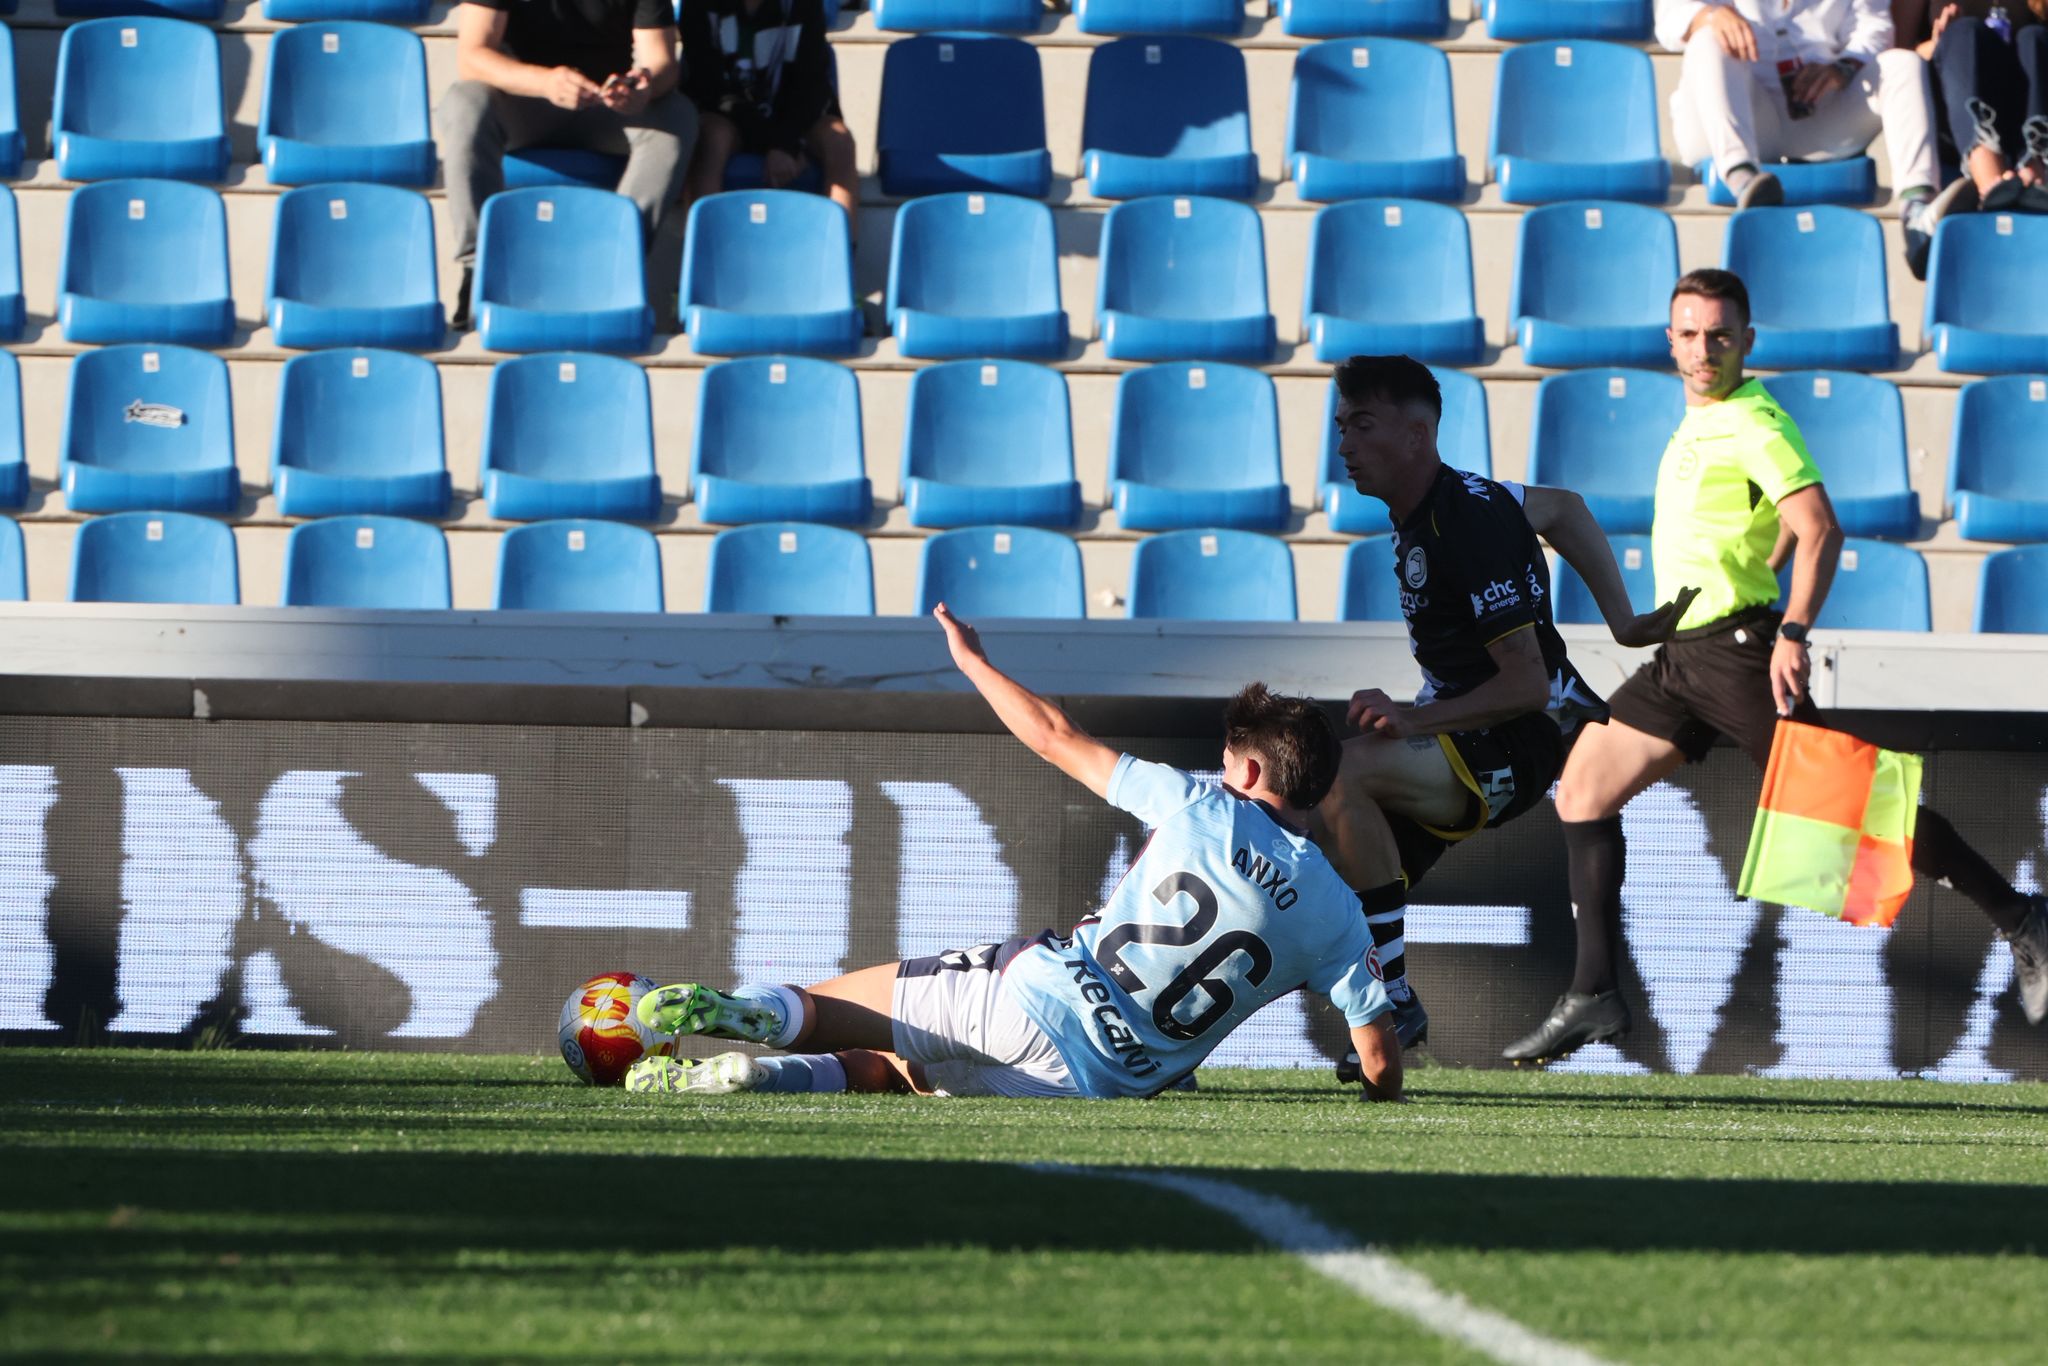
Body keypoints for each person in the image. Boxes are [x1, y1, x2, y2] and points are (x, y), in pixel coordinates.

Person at [1502, 267, 2048, 1064]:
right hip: (1679, 659)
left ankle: (2021, 918)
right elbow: (1772, 525)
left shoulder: (1754, 420)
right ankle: (1594, 994)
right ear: (1669, 341)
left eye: (1719, 335)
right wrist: (1764, 555)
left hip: (1733, 655)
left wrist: (1791, 627)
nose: (1703, 350)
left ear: (1746, 342)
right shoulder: (1702, 421)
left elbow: (1820, 527)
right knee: (1582, 788)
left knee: (1855, 812)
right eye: (1688, 335)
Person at [622, 605, 1405, 1101]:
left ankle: (750, 1017)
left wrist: (973, 664)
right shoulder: (1338, 911)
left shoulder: (1200, 806)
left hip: (1041, 991)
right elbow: (1379, 1051)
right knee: (899, 1076)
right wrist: (1384, 1096)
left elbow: (1055, 737)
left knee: (830, 1011)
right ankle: (754, 1079)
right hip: (1095, 1082)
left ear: (1249, 769)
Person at [1312, 356, 1698, 1060]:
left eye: (1362, 426)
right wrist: (1622, 620)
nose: (1343, 444)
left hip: (1513, 739)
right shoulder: (1450, 501)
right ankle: (1192, 1028)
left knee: (1342, 779)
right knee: (1312, 870)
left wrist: (1411, 718)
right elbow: (1562, 507)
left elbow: (1526, 684)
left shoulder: (1468, 522)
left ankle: (1392, 1001)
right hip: (1471, 729)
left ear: (1418, 433)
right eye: (1341, 426)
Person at [436, 0, 698, 329]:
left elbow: (662, 61)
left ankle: (615, 267)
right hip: (523, 101)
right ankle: (479, 270)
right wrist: (545, 82)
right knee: (464, 102)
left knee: (677, 116)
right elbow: (473, 56)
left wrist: (644, 86)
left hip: (606, 103)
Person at [1657, 0, 1952, 276]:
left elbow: (1874, 27)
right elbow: (1669, 20)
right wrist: (1708, 16)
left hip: (1821, 108)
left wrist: (1842, 68)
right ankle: (1744, 183)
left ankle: (1918, 213)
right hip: (1742, 115)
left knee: (1901, 63)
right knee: (1708, 38)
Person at [678, 0, 860, 235]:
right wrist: (776, 144)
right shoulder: (698, 6)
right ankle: (703, 249)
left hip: (793, 118)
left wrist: (787, 143)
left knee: (840, 140)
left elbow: (812, 86)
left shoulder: (805, 5)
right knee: (710, 136)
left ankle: (839, 253)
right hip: (729, 116)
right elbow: (706, 86)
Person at [1895, 0, 2048, 215]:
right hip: (1956, 112)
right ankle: (1988, 175)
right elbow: (1898, 58)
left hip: (2019, 109)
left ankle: (2034, 169)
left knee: (2034, 37)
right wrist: (1938, 43)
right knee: (1964, 32)